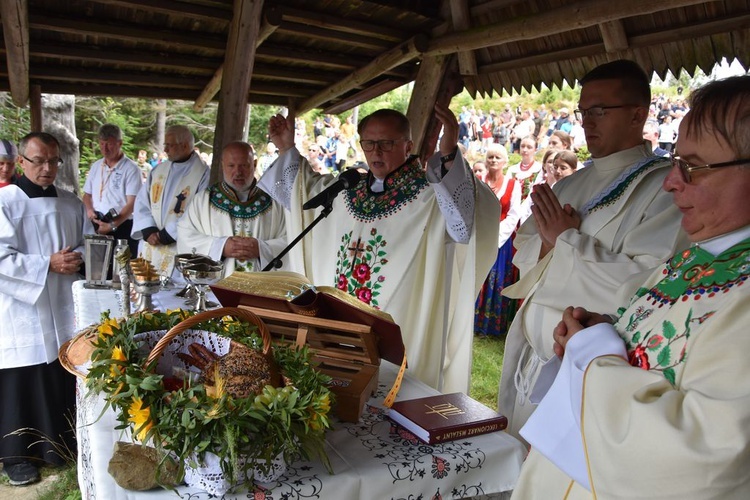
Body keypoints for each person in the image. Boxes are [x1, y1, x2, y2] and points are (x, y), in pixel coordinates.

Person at [512, 74, 750, 499]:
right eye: (677, 162)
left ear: (638, 113)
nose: (672, 182)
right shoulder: (696, 260)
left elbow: (706, 458)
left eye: (693, 167)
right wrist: (611, 327)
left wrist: (595, 355)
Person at [498, 59, 689, 441]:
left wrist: (567, 242)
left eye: (600, 110)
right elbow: (526, 246)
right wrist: (551, 241)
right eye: (583, 111)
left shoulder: (662, 189)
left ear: (638, 114)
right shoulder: (573, 183)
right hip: (532, 359)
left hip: (584, 373)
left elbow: (646, 282)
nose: (587, 121)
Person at [259, 105, 499, 392]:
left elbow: (465, 220)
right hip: (339, 326)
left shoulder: (430, 196)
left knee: (391, 393)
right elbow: (302, 193)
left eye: (387, 143)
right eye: (369, 143)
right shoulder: (346, 191)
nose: (376, 152)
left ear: (408, 145)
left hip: (401, 320)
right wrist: (287, 147)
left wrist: (448, 156)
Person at [0, 132, 91, 486]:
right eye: (39, 160)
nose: (47, 168)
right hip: (21, 305)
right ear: (21, 161)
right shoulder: (6, 202)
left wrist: (79, 257)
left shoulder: (70, 203)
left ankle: (61, 446)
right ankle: (17, 456)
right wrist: (46, 264)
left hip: (64, 302)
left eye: (54, 161)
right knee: (23, 377)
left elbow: (86, 242)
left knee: (61, 370)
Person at [177, 141, 287, 274]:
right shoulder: (204, 200)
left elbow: (292, 239)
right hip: (217, 287)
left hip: (262, 287)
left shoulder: (275, 201)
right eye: (231, 166)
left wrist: (262, 249)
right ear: (222, 166)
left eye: (244, 165)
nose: (238, 172)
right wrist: (220, 247)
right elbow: (185, 235)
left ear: (254, 164)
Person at [132, 125, 209, 276]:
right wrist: (148, 229)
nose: (165, 150)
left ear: (185, 145)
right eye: (165, 145)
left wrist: (168, 234)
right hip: (152, 245)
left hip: (178, 246)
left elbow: (198, 210)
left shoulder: (203, 174)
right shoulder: (159, 170)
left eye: (170, 145)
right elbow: (142, 201)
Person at [474, 144, 521, 337]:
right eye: (490, 157)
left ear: (504, 162)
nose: (493, 160)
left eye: (497, 157)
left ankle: (490, 326)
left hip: (501, 240)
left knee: (496, 278)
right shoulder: (478, 180)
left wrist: (497, 235)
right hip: (479, 235)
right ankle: (472, 320)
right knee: (477, 276)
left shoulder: (513, 184)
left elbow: (514, 214)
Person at [82, 124, 142, 258]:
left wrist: (112, 225)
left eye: (109, 144)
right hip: (97, 223)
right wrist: (90, 212)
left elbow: (132, 203)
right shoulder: (97, 166)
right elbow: (87, 195)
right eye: (102, 144)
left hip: (122, 225)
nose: (104, 148)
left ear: (120, 143)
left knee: (121, 269)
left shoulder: (131, 169)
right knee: (98, 268)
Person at [507, 135, 543, 200]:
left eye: (529, 147)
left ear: (535, 150)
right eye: (522, 146)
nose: (525, 149)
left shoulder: (539, 169)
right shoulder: (512, 169)